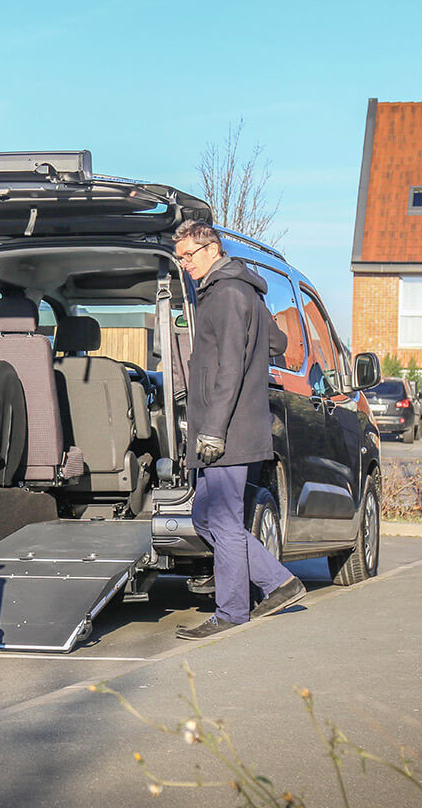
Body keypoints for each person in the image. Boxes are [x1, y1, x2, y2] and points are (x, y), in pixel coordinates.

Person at [172, 220, 306, 640]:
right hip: (231, 426)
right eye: (180, 258)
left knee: (225, 520)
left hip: (226, 430)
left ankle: (231, 612)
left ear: (212, 250)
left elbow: (229, 367)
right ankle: (279, 582)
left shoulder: (227, 294)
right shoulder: (240, 291)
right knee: (204, 514)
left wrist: (211, 430)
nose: (184, 264)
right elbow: (278, 343)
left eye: (188, 256)